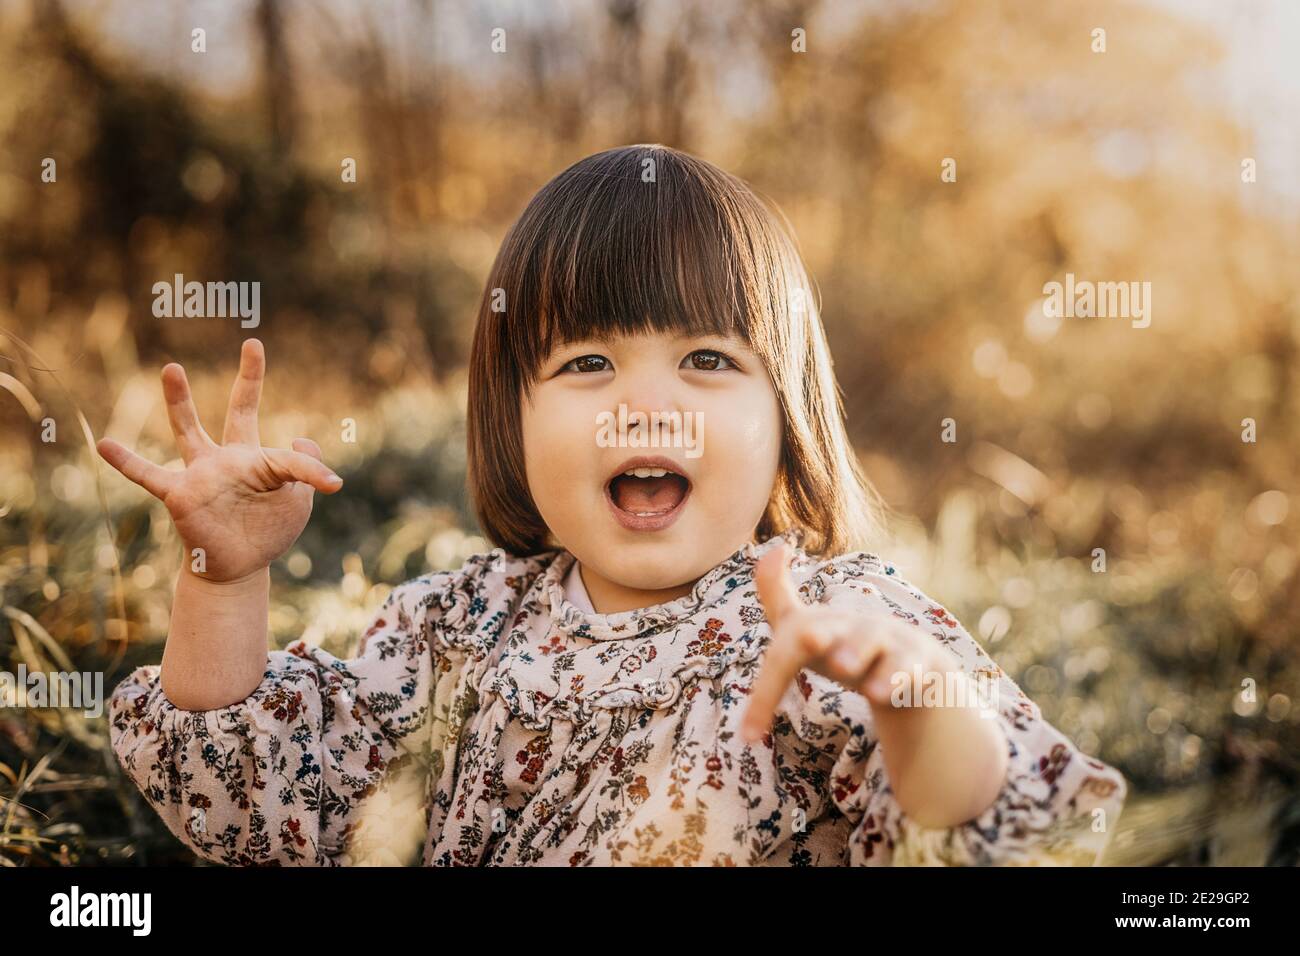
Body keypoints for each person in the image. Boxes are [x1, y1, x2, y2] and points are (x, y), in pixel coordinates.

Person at [102, 144, 1127, 866]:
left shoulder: (832, 626)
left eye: (706, 359)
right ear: (513, 416)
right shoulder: (452, 630)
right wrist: (224, 580)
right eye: (588, 360)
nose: (647, 401)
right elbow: (251, 809)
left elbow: (986, 833)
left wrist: (919, 704)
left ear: (786, 417)